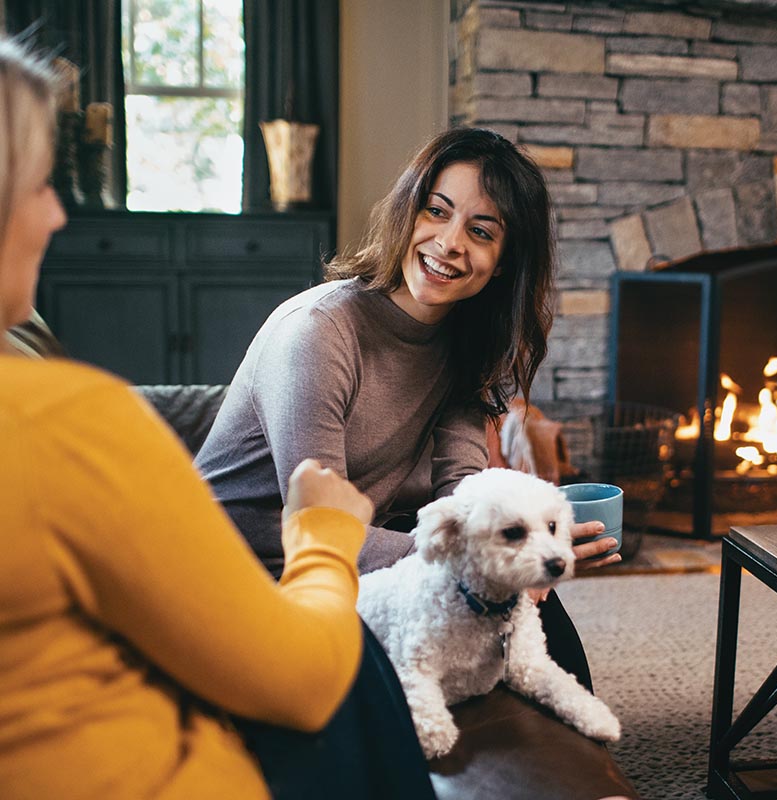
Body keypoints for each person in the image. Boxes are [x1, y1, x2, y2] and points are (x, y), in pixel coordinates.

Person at [0, 36, 431, 800]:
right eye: (39, 186)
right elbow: (300, 679)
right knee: (353, 659)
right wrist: (326, 536)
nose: (58, 214)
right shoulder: (57, 423)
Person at [196, 126, 621, 689]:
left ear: (503, 262)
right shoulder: (318, 334)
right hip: (253, 567)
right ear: (406, 210)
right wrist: (493, 558)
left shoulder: (464, 342)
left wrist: (526, 546)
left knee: (528, 610)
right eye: (436, 211)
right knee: (489, 591)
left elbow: (463, 489)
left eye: (480, 231)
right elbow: (316, 523)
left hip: (352, 549)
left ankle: (582, 770)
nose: (449, 243)